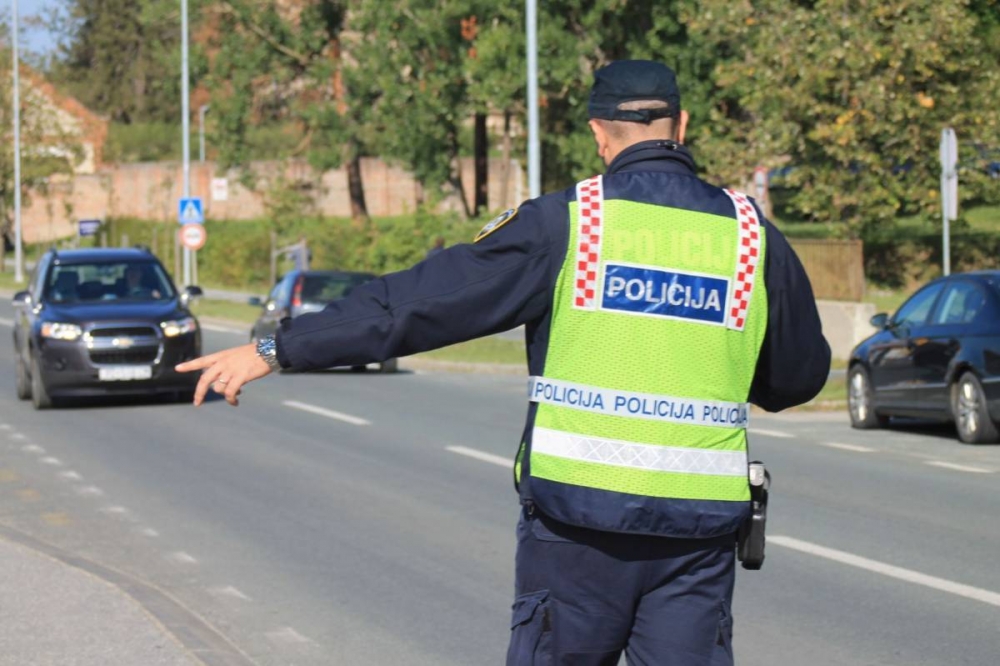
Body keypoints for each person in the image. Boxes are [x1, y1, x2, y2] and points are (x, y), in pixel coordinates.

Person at [177, 60, 830, 665]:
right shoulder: (752, 235)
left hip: (578, 530)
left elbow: (420, 303)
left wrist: (277, 346)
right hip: (696, 535)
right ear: (681, 125)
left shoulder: (573, 223)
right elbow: (797, 378)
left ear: (599, 134)